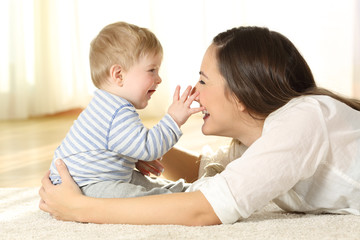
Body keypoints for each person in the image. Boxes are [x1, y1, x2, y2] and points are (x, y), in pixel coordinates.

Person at [39, 26, 360, 226]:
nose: (194, 91)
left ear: (241, 95)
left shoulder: (303, 119)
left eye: (203, 80)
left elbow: (205, 210)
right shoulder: (257, 142)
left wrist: (80, 208)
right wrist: (125, 148)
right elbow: (203, 170)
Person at [49, 21, 204, 198]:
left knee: (143, 183)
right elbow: (148, 148)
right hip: (84, 185)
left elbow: (117, 147)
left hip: (91, 179)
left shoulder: (106, 104)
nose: (159, 79)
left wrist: (132, 158)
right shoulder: (117, 111)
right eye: (152, 70)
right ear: (119, 75)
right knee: (140, 197)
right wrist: (174, 118)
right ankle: (182, 197)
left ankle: (183, 191)